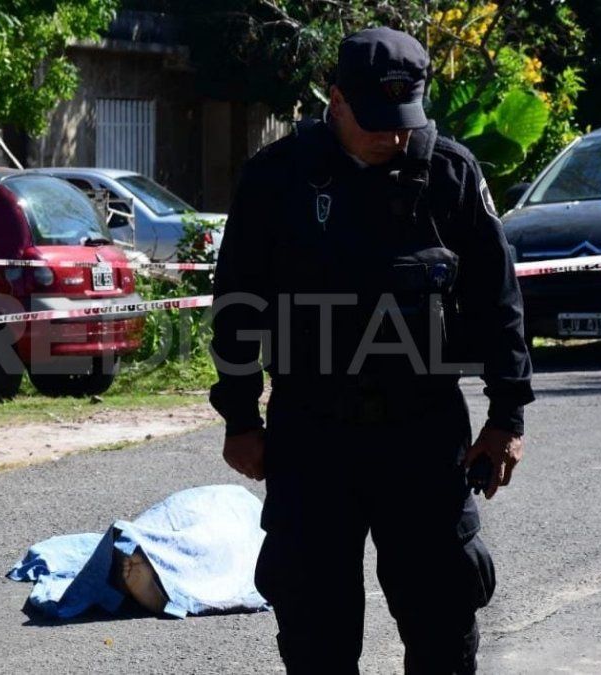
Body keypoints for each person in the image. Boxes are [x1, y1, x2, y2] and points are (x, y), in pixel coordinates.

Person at [209, 26, 534, 673]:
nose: (392, 135)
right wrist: (240, 418)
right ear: (335, 99)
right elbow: (237, 303)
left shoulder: (449, 174)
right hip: (311, 435)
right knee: (314, 632)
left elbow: (497, 302)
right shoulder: (276, 180)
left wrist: (506, 416)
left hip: (423, 434)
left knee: (443, 623)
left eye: (403, 119)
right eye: (375, 119)